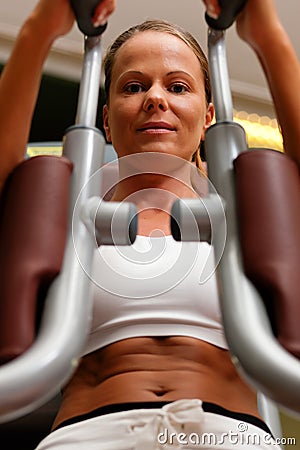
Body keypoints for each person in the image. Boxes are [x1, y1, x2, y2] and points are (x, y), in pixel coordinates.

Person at [0, 0, 299, 448]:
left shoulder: (249, 222)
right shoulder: (67, 221)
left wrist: (267, 34)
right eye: (134, 86)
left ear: (208, 118)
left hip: (226, 436)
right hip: (88, 436)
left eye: (178, 87)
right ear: (106, 118)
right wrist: (40, 30)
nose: (156, 98)